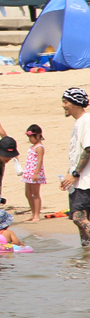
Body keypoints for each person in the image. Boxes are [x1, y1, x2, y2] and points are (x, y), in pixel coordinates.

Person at [60, 88, 90, 246]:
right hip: (78, 181)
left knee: (79, 218)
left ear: (76, 104)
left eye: (65, 102)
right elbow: (75, 154)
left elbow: (88, 149)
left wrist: (75, 174)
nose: (64, 106)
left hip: (85, 181)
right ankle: (86, 253)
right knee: (81, 221)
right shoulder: (78, 122)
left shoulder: (86, 120)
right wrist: (68, 175)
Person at [22, 124, 46, 222]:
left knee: (35, 194)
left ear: (37, 136)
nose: (30, 139)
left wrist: (36, 173)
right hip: (28, 172)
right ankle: (33, 213)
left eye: (31, 137)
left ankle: (37, 214)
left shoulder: (40, 147)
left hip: (35, 172)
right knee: (28, 193)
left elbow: (40, 161)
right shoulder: (32, 147)